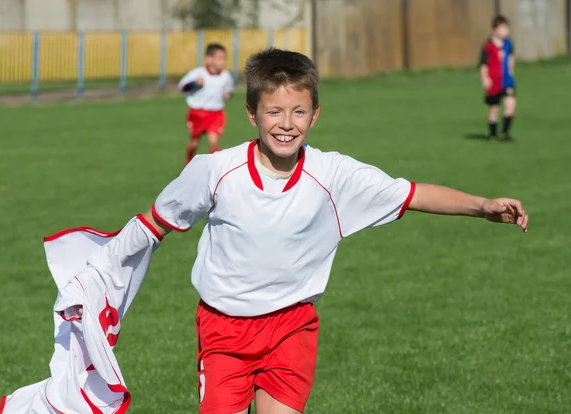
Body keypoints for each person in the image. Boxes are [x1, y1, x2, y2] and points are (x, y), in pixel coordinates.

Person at [85, 48, 529, 413]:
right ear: (251, 114)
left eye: (299, 111)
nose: (286, 123)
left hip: (292, 326)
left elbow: (410, 194)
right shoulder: (214, 171)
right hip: (224, 331)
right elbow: (154, 223)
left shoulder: (334, 175)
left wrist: (483, 206)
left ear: (315, 116)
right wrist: (101, 268)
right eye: (273, 111)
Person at [178, 43, 234, 164]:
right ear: (209, 59)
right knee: (194, 143)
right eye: (220, 58)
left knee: (213, 142)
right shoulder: (198, 73)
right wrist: (194, 84)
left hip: (215, 114)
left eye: (225, 58)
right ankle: (188, 164)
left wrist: (228, 94)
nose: (223, 62)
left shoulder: (226, 76)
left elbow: (229, 90)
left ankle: (214, 170)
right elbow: (182, 88)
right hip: (197, 113)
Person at [479, 15, 516, 141]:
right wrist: (485, 79)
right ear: (495, 30)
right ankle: (493, 135)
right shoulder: (488, 46)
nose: (506, 31)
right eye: (503, 28)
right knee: (494, 108)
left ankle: (505, 133)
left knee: (510, 105)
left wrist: (511, 69)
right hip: (494, 82)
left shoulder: (509, 44)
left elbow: (511, 57)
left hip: (507, 80)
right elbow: (483, 65)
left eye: (507, 28)